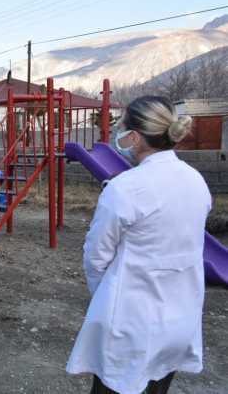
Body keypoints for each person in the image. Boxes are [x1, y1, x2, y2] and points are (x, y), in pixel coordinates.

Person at [66, 96, 211, 394]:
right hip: (181, 316)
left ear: (134, 136)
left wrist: (103, 298)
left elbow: (96, 257)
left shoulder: (125, 188)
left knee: (116, 386)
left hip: (131, 322)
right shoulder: (196, 181)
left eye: (122, 128)